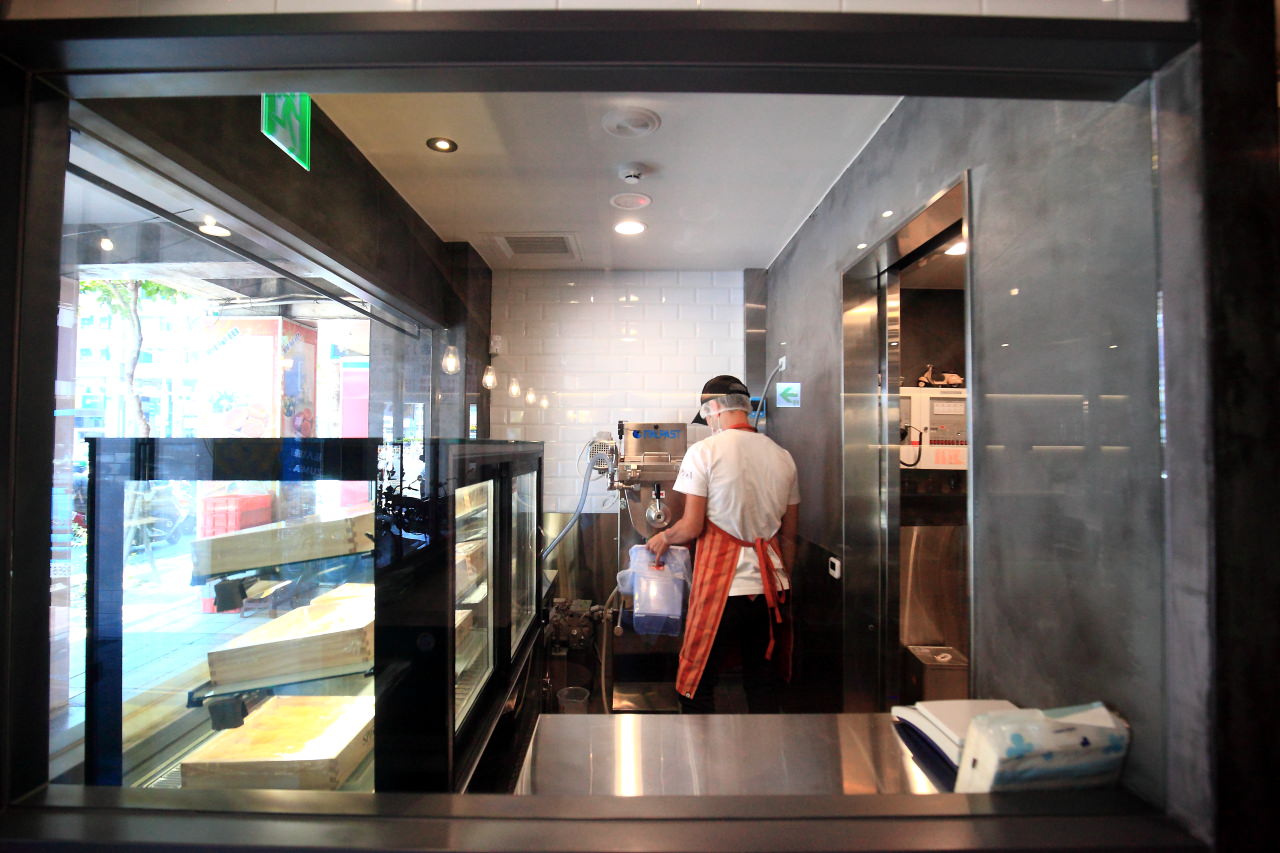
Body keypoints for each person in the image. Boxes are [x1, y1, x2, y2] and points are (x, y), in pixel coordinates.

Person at [646, 375, 799, 713]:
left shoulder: (704, 452)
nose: (709, 424)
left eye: (707, 417)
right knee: (762, 686)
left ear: (713, 409)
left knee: (697, 686)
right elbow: (788, 535)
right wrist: (784, 587)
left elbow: (691, 526)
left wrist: (664, 537)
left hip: (723, 590)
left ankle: (701, 748)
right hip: (772, 590)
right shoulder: (783, 456)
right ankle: (764, 747)